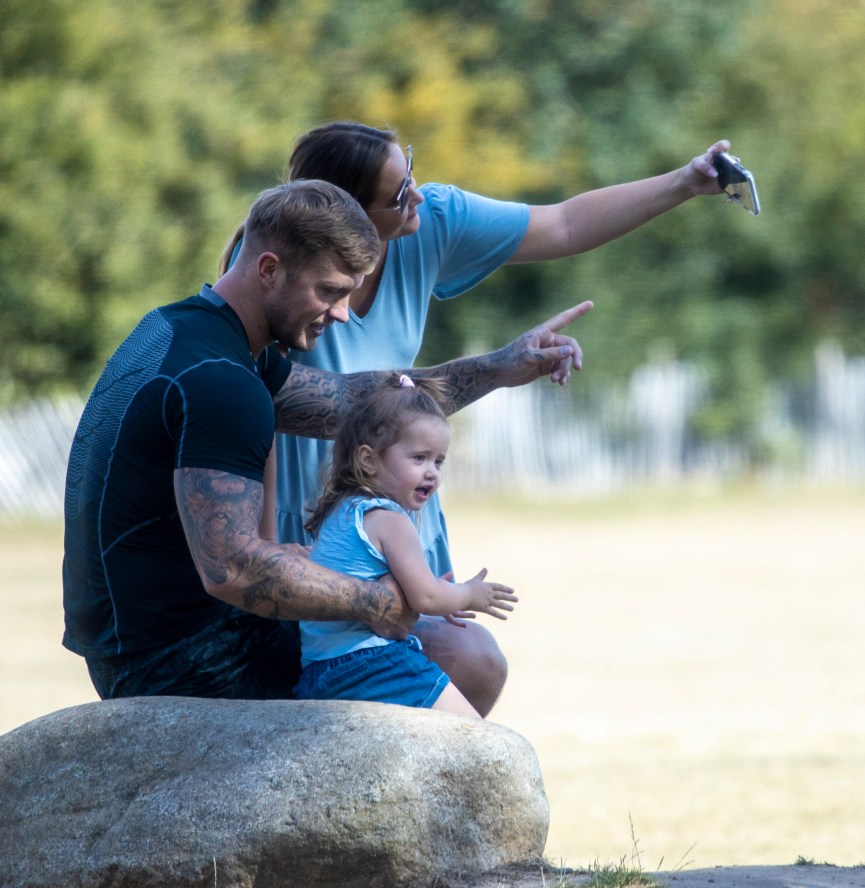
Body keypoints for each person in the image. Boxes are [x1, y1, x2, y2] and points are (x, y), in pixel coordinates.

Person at [219, 121, 731, 716]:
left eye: (409, 171)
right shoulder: (283, 264)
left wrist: (685, 182)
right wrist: (263, 548)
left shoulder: (428, 220)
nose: (417, 194)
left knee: (470, 664)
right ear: (342, 216)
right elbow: (258, 400)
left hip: (392, 501)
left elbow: (563, 223)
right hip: (301, 509)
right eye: (396, 193)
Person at [62, 178, 592, 702]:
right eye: (330, 291)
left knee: (451, 647)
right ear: (269, 269)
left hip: (138, 645)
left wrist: (499, 367)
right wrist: (373, 601)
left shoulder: (190, 333)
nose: (341, 314)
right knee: (465, 659)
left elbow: (353, 403)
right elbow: (233, 569)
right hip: (179, 665)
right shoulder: (221, 383)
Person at [294, 372, 517, 719]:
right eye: (419, 458)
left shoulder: (342, 510)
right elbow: (425, 597)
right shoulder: (390, 519)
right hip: (370, 665)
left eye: (438, 461)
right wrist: (470, 593)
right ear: (368, 460)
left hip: (319, 670)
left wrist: (435, 596)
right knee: (475, 737)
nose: (432, 473)